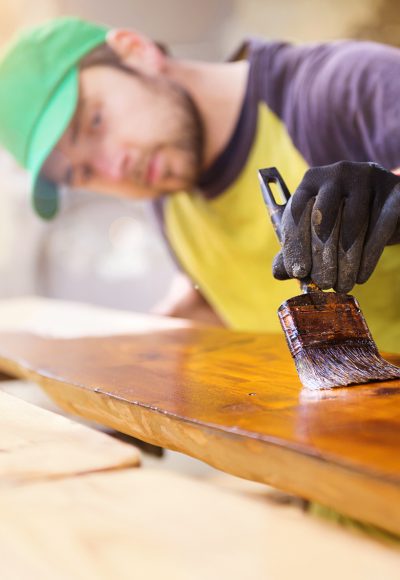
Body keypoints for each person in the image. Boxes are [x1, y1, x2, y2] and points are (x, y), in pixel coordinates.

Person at [0, 17, 400, 351]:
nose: (113, 167)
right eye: (81, 173)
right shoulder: (167, 200)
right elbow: (225, 299)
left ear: (134, 51)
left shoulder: (344, 87)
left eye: (95, 122)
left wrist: (393, 199)